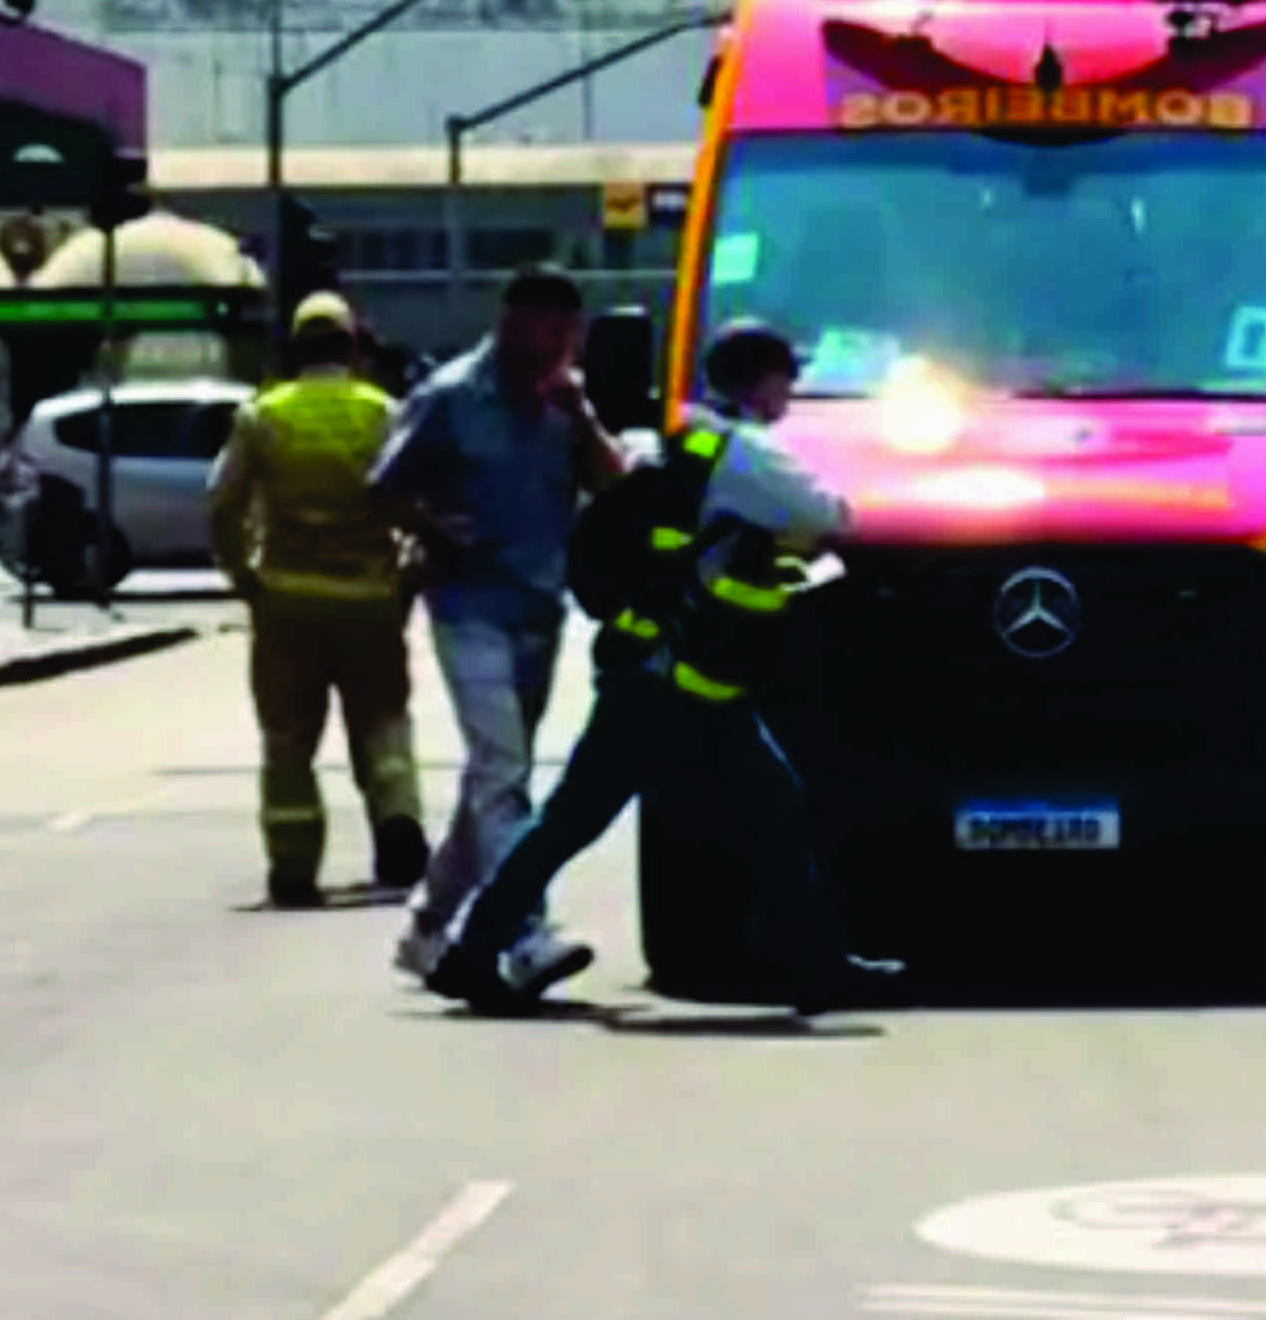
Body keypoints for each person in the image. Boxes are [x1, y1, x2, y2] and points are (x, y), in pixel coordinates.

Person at [426, 322, 899, 1016]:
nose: (791, 392)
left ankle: (470, 953)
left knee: (584, 820)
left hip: (649, 667)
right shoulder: (746, 454)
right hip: (686, 683)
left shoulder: (673, 440)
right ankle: (819, 969)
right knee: (765, 810)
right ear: (763, 379)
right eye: (786, 378)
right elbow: (831, 515)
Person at [372, 264, 629, 984]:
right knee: (503, 771)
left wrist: (581, 418)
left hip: (540, 610)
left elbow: (615, 489)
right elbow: (382, 486)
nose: (556, 345)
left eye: (567, 332)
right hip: (468, 607)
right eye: (544, 328)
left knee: (490, 783)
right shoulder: (451, 397)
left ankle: (427, 927)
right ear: (510, 321)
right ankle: (526, 928)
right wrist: (433, 525)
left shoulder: (565, 404)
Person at [208, 293, 431, 906]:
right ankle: (397, 821)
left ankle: (294, 868)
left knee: (288, 741)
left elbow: (222, 502)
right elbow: (423, 500)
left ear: (293, 352)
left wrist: (240, 574)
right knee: (384, 726)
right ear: (355, 350)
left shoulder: (262, 417)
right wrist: (410, 574)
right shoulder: (385, 414)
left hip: (287, 605)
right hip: (371, 601)